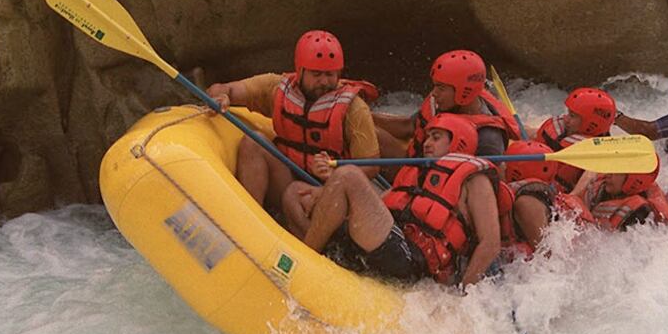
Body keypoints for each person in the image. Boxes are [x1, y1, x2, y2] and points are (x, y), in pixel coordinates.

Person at [300, 114, 502, 288]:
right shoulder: (417, 173)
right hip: (391, 242)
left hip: (414, 261)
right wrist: (331, 183)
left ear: (458, 142)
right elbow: (377, 206)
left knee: (349, 176)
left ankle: (303, 261)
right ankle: (312, 258)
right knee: (300, 194)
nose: (427, 143)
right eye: (427, 137)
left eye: (436, 138)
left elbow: (491, 243)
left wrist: (463, 294)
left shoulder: (475, 180)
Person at [204, 30, 380, 211]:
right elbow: (223, 88)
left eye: (330, 74)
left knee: (297, 194)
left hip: (327, 191)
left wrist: (336, 175)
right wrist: (220, 98)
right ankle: (251, 215)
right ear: (300, 71)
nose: (324, 82)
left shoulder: (354, 108)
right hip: (286, 178)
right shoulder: (275, 87)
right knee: (253, 142)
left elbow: (371, 166)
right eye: (316, 74)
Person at [373, 49, 521, 160]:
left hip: (427, 177)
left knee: (372, 134)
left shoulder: (487, 139)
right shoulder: (442, 103)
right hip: (418, 159)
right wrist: (365, 116)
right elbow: (409, 127)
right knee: (367, 128)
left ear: (464, 92)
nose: (434, 93)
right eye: (435, 85)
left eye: (441, 88)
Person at [533, 87, 616, 193]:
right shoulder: (562, 128)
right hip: (540, 177)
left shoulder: (597, 151)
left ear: (591, 124)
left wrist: (572, 197)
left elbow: (589, 176)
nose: (566, 118)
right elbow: (534, 135)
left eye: (572, 116)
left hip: (559, 191)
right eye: (568, 113)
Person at [568, 160, 668, 232]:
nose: (608, 174)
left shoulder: (641, 213)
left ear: (632, 180)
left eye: (616, 171)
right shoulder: (599, 183)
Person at [499, 140, 559, 250]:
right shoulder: (525, 196)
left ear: (516, 171)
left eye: (504, 163)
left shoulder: (526, 203)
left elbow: (546, 252)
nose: (502, 166)